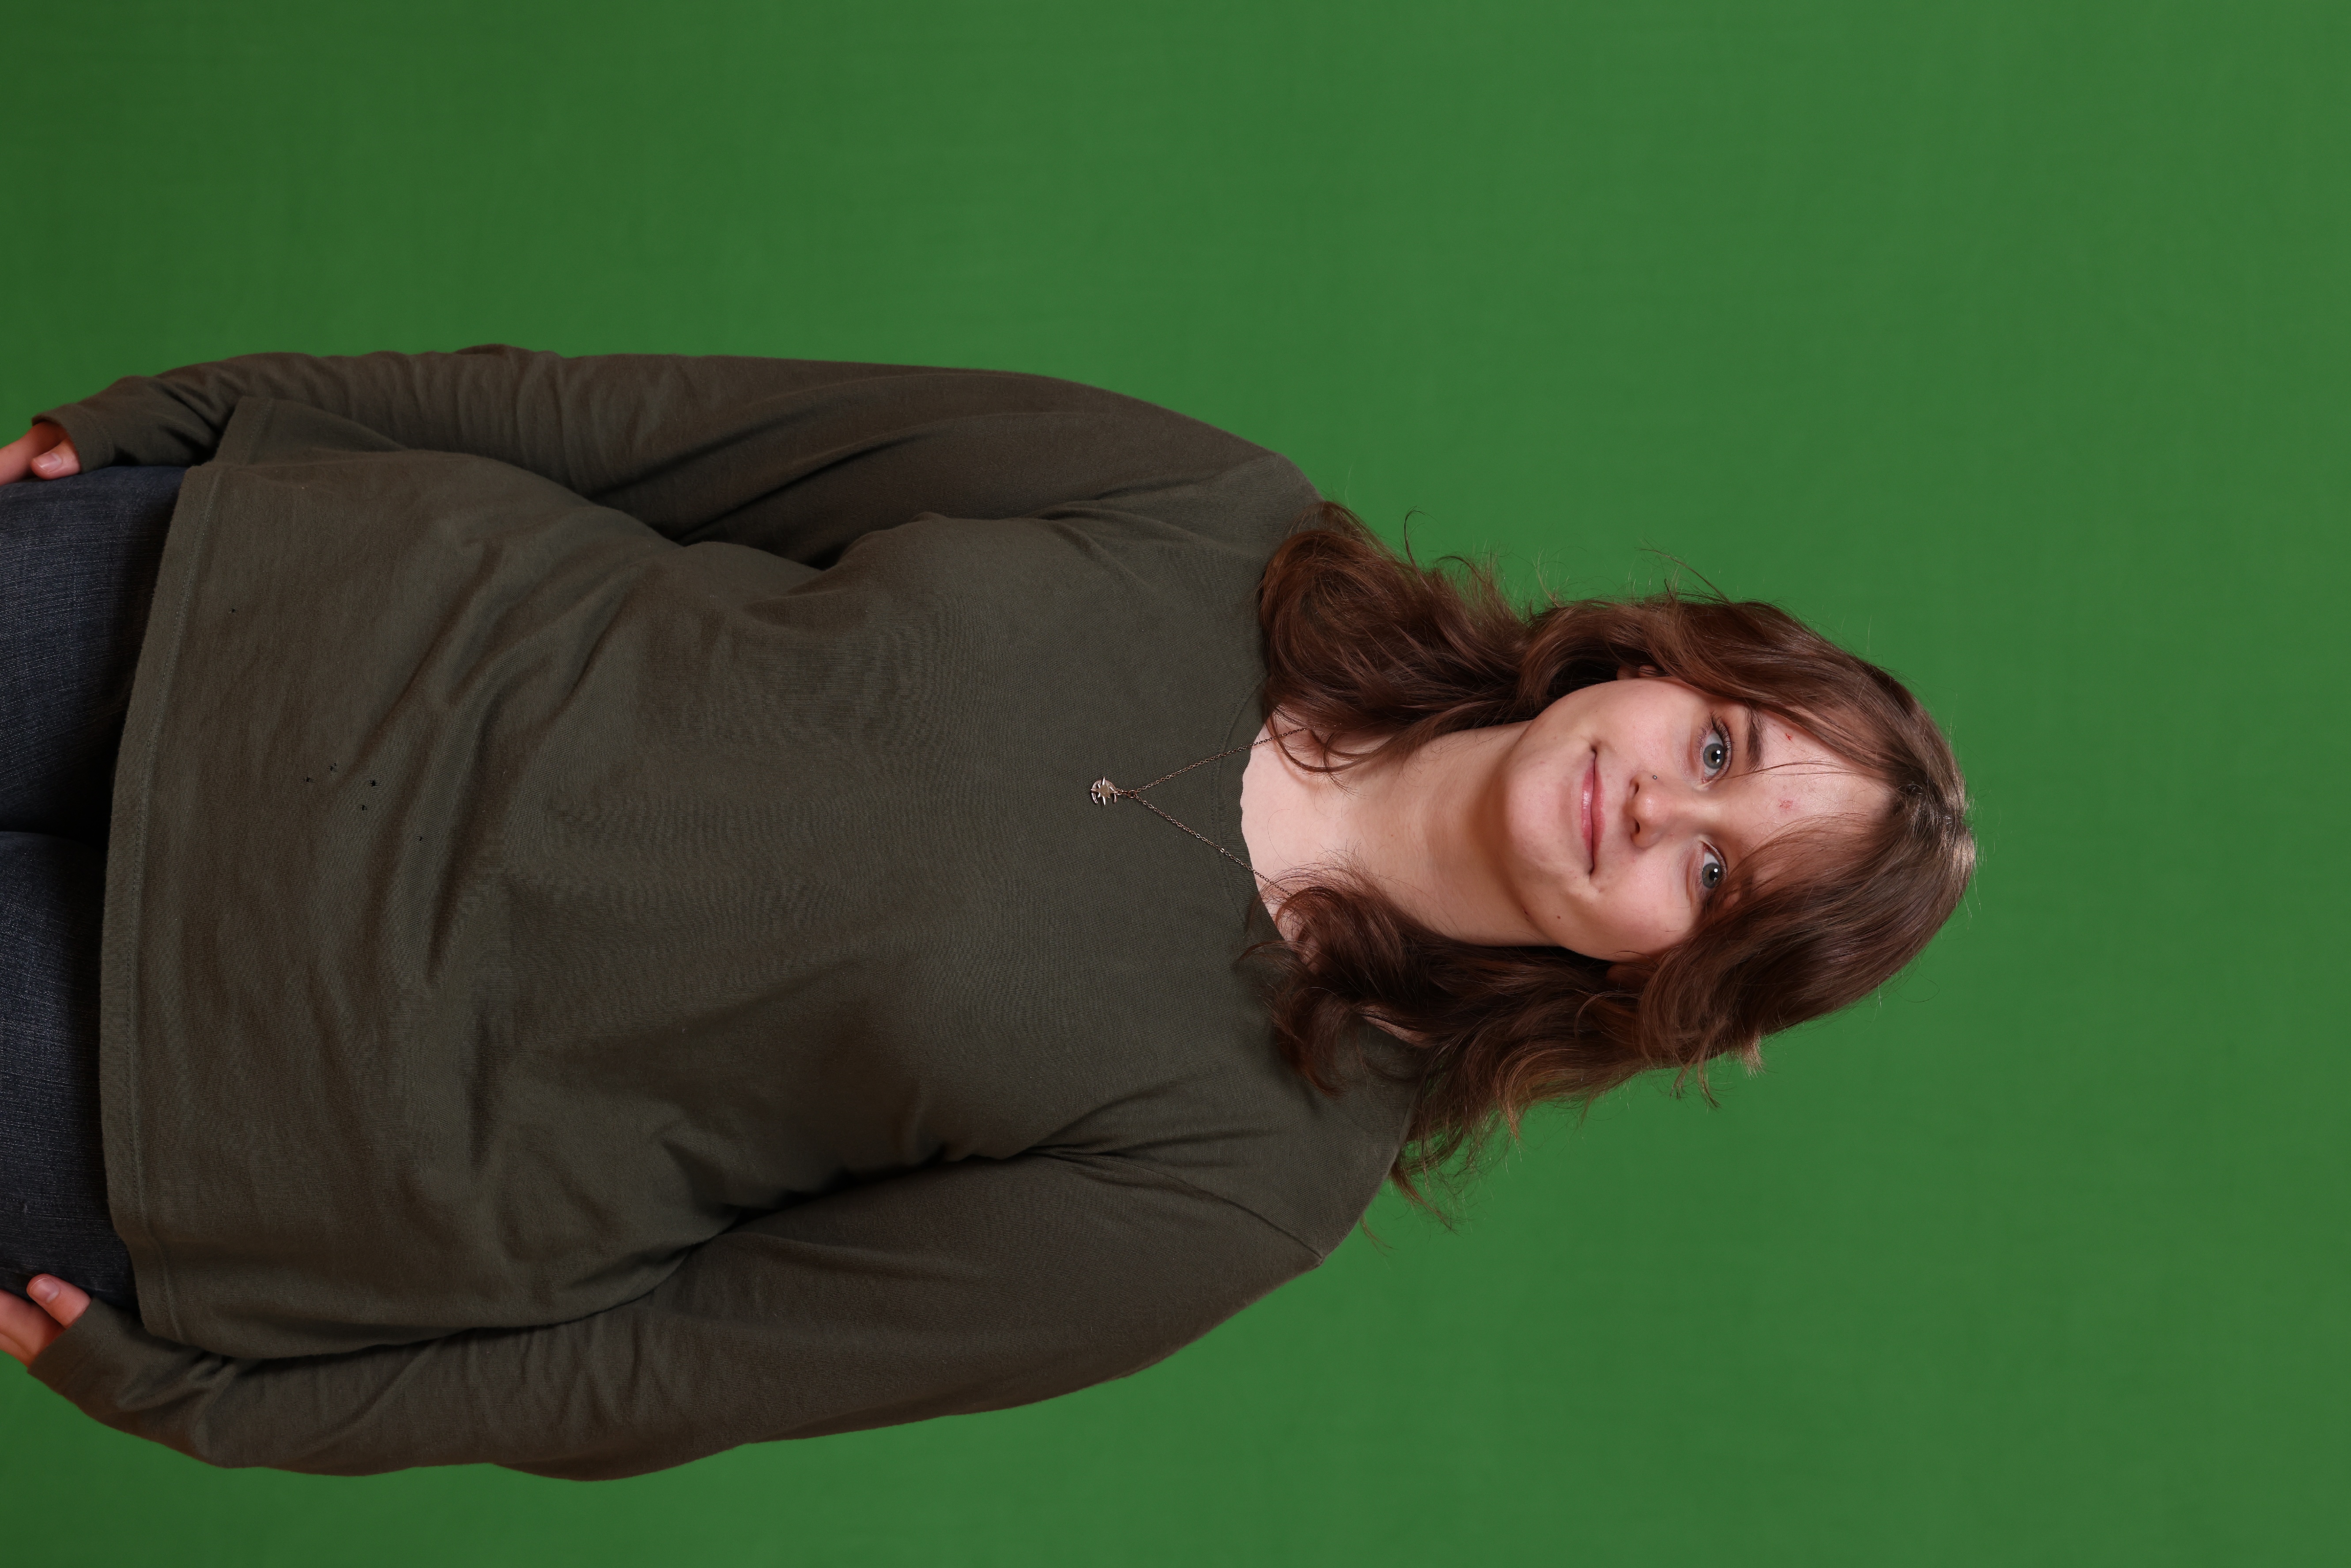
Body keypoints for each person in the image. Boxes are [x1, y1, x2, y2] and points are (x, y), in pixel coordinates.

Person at [0, 349, 1972, 1478]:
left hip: (203, 1090)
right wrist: (215, 410)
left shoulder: (1242, 1185)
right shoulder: (1224, 523)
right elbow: (671, 428)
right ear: (1662, 665)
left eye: (1717, 878)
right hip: (248, 614)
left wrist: (212, 1403)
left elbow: (683, 1366)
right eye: (1722, 746)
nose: (1661, 808)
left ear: (1673, 986)